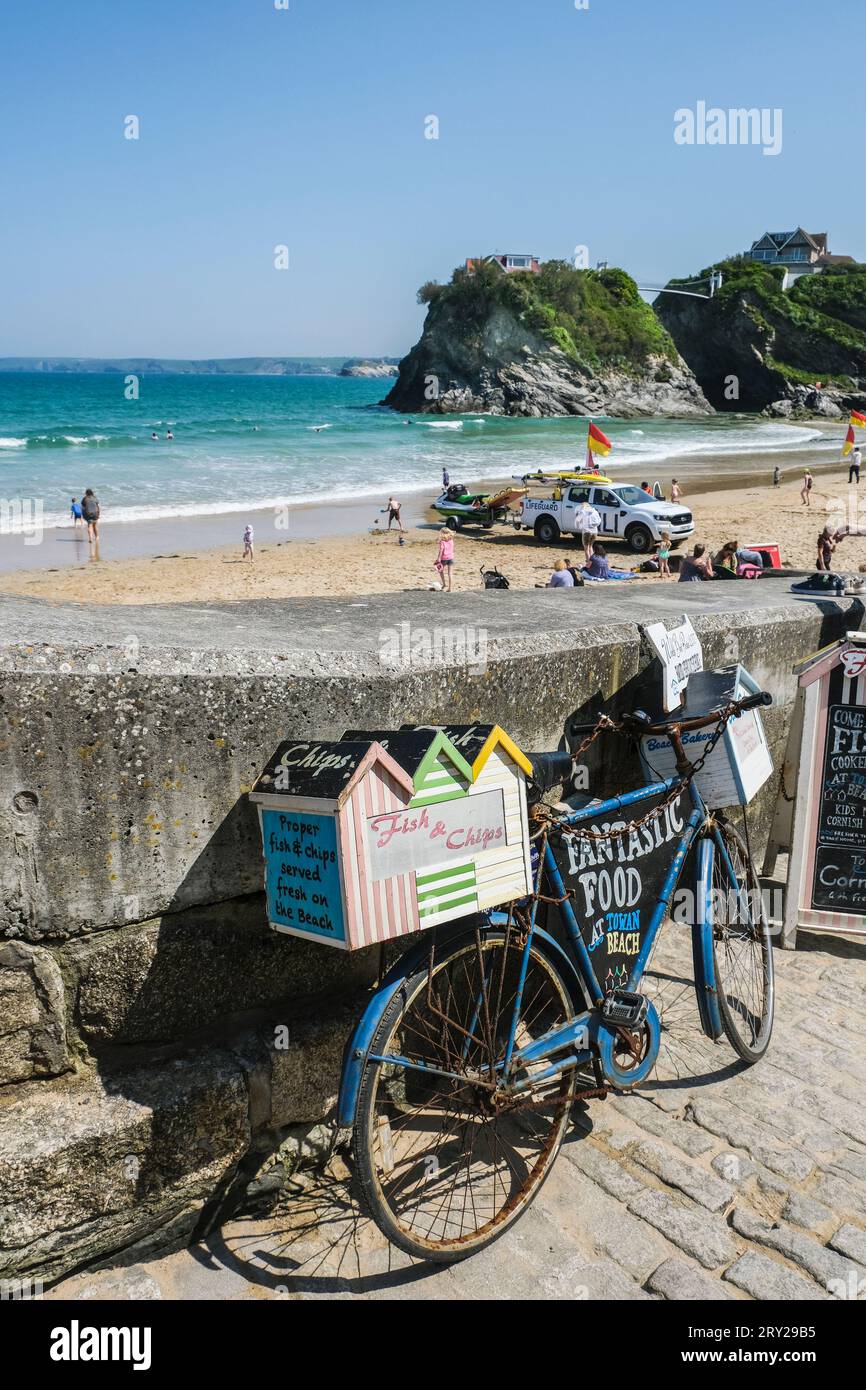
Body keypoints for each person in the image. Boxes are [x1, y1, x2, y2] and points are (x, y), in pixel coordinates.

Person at [575, 498, 602, 564]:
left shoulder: (583, 511)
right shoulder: (594, 511)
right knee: (590, 547)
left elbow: (578, 520)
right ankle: (593, 562)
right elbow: (599, 521)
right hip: (594, 531)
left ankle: (589, 563)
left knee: (586, 548)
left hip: (586, 532)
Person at [435, 524, 454, 591]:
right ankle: (450, 588)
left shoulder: (442, 542)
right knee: (450, 573)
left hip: (444, 558)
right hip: (451, 558)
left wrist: (438, 558)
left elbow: (441, 550)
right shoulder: (451, 540)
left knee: (440, 571)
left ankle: (444, 584)